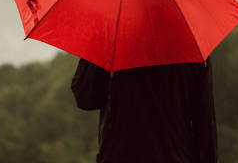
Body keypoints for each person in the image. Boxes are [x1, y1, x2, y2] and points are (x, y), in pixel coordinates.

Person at [71, 57, 218, 163]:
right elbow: (205, 125)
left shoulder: (113, 44)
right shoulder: (195, 54)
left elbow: (85, 98)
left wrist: (99, 43)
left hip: (119, 156)